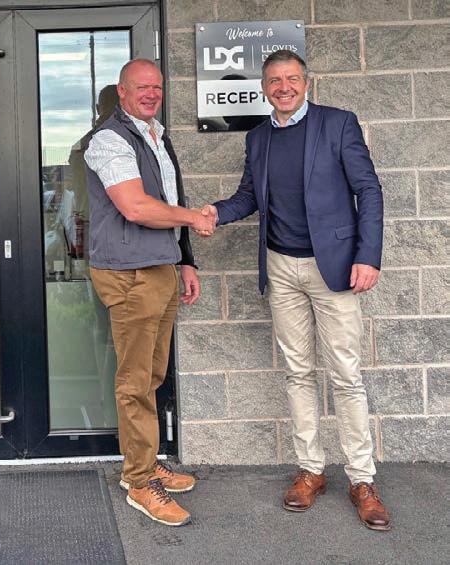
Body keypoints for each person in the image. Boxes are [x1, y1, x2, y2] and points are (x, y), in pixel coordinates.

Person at [199, 50, 391, 531]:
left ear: (306, 82)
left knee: (345, 374)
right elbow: (249, 196)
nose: (283, 87)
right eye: (274, 80)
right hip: (282, 267)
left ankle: (362, 479)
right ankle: (311, 470)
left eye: (291, 79)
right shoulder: (258, 138)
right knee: (298, 372)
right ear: (264, 88)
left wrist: (368, 255)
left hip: (334, 268)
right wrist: (215, 213)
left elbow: (368, 190)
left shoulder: (338, 124)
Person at [84, 58, 215, 527]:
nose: (151, 94)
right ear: (121, 91)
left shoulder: (157, 136)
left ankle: (144, 460)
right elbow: (137, 207)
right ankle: (140, 481)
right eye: (141, 87)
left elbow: (170, 202)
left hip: (159, 267)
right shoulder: (109, 140)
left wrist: (185, 260)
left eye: (156, 87)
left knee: (152, 375)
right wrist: (194, 220)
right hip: (130, 273)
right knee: (135, 381)